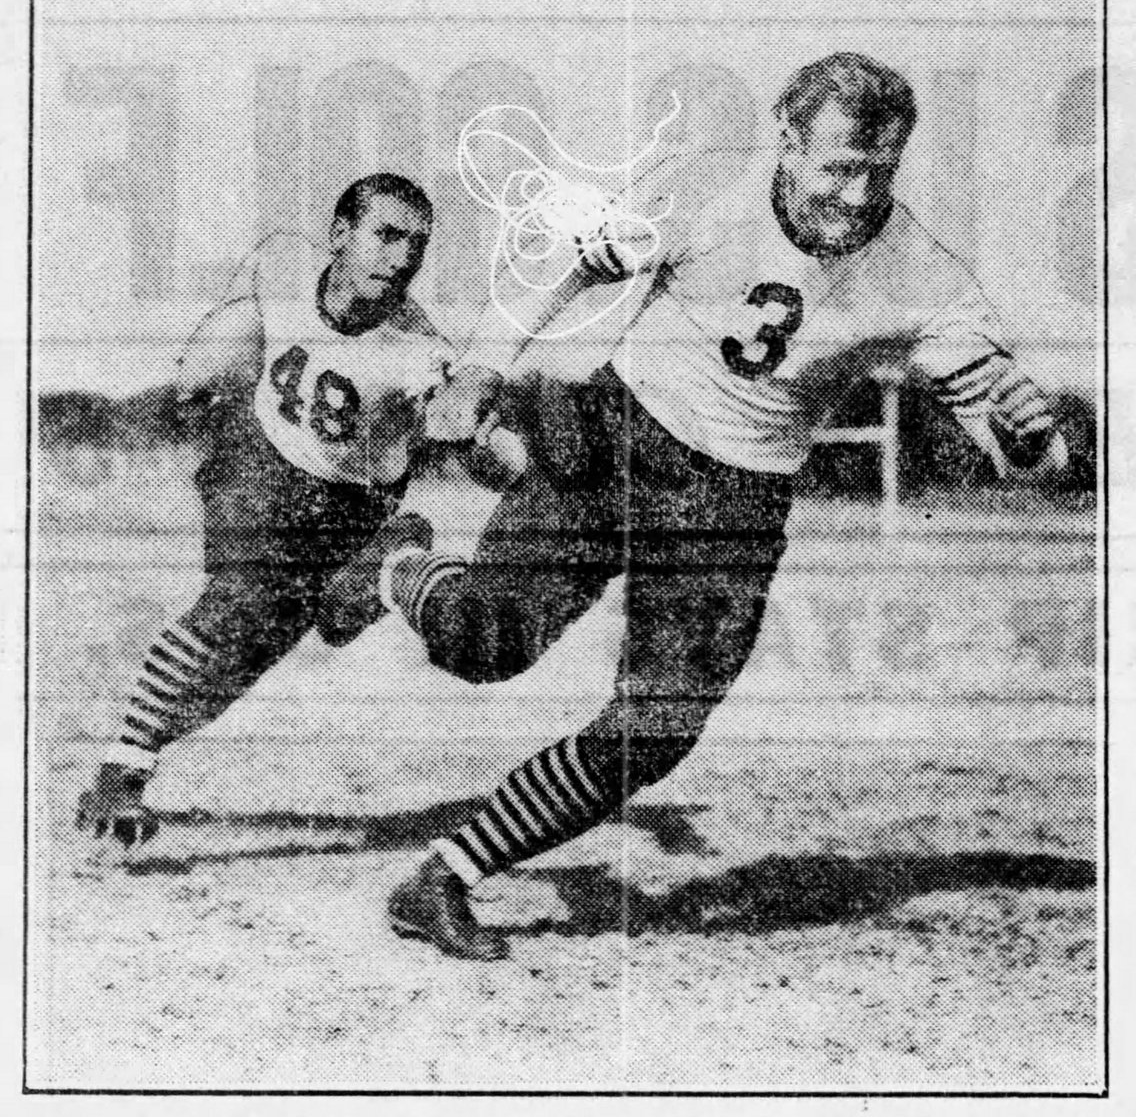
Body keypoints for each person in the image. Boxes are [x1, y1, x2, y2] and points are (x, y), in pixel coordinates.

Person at [363, 53, 1070, 962]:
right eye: (839, 167)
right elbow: (560, 268)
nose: (857, 198)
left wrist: (1035, 437)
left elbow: (1024, 457)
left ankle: (444, 879)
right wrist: (484, 370)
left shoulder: (928, 278)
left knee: (657, 730)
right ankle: (398, 563)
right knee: (482, 647)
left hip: (738, 500)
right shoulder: (704, 188)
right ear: (785, 138)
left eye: (880, 172)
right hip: (618, 438)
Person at [75, 173, 466, 849]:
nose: (401, 258)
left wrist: (497, 440)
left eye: (417, 245)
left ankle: (131, 747)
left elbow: (466, 426)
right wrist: (200, 370)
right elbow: (243, 310)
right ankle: (123, 770)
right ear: (341, 235)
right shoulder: (286, 264)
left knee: (234, 675)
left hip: (355, 508)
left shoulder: (421, 349)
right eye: (387, 235)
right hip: (261, 465)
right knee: (236, 600)